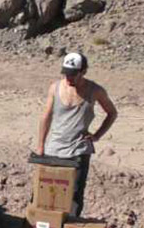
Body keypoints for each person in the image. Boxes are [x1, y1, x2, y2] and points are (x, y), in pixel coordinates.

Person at [36, 52, 118, 216]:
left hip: (78, 151)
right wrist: (41, 145)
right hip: (54, 149)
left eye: (73, 74)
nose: (68, 78)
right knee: (46, 194)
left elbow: (112, 113)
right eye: (66, 73)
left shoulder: (95, 91)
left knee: (74, 196)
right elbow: (46, 116)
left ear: (84, 71)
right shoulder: (55, 88)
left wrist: (96, 135)